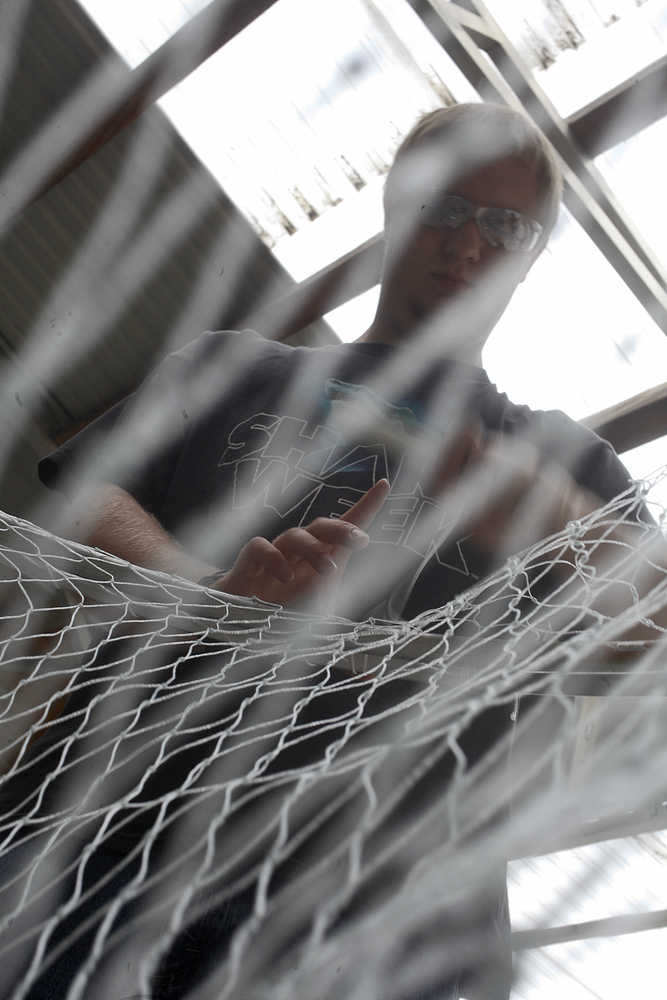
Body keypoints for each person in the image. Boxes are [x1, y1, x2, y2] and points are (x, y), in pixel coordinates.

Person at [35, 102, 657, 999]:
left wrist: (552, 516)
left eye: (503, 224)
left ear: (529, 255)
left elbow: (656, 624)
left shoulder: (566, 459)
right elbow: (86, 493)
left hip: (385, 910)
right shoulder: (237, 366)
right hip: (118, 834)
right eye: (441, 205)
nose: (466, 242)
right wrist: (208, 589)